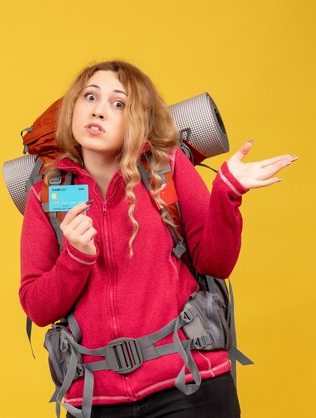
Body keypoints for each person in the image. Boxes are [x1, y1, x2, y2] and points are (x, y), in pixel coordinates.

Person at [19, 60, 296, 418]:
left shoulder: (167, 166)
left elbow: (216, 262)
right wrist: (75, 257)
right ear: (72, 108)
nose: (100, 110)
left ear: (138, 121)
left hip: (190, 385)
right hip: (96, 401)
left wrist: (227, 194)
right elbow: (38, 308)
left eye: (119, 103)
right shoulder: (48, 195)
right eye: (90, 97)